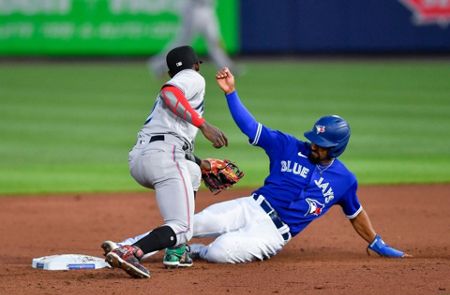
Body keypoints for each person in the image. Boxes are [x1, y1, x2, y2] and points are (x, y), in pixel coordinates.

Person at [105, 67, 409, 265]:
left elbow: (355, 214)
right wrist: (231, 93)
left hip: (273, 234)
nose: (314, 146)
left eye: (322, 145)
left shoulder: (345, 180)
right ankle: (127, 246)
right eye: (314, 141)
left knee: (222, 251)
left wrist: (377, 242)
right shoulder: (289, 146)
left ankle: (191, 251)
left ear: (336, 148)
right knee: (189, 223)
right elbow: (251, 127)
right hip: (250, 206)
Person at [103, 45, 228, 279]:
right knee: (182, 227)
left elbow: (173, 137)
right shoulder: (193, 77)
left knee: (192, 171)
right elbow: (169, 93)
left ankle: (176, 251)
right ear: (197, 65)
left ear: (170, 71)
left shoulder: (178, 85)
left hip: (143, 159)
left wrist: (201, 163)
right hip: (165, 157)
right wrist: (204, 126)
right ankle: (130, 251)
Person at [149, 0, 237, 78]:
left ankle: (226, 68)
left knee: (215, 42)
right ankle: (158, 64)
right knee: (182, 43)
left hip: (208, 10)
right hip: (194, 9)